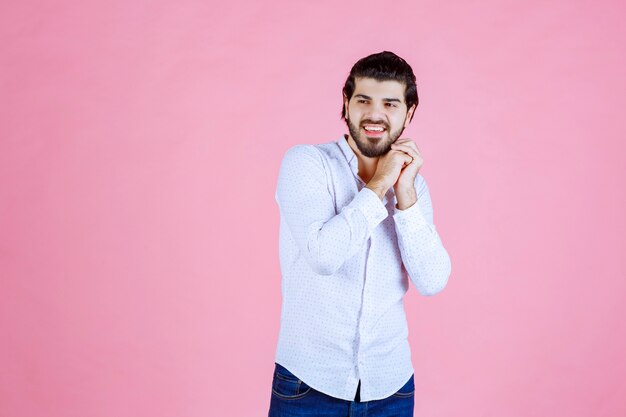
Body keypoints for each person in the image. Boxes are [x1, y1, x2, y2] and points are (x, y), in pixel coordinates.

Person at [268, 51, 452, 416]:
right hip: (307, 385)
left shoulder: (413, 188)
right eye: (364, 100)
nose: (375, 114)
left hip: (391, 387)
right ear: (346, 104)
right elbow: (323, 257)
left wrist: (406, 197)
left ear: (409, 113)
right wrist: (381, 182)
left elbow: (432, 281)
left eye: (390, 103)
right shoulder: (307, 163)